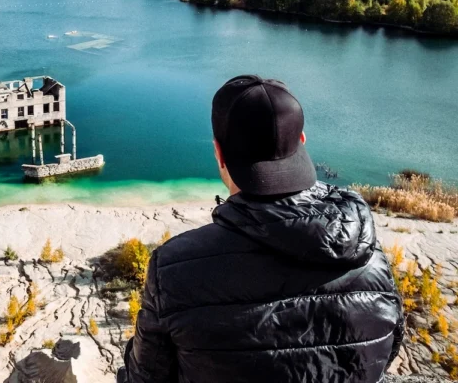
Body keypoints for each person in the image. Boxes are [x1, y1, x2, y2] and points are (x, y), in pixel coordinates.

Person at [119, 75, 404, 383]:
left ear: (219, 153)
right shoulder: (369, 253)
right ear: (302, 140)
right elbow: (385, 354)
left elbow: (144, 378)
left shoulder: (173, 270)